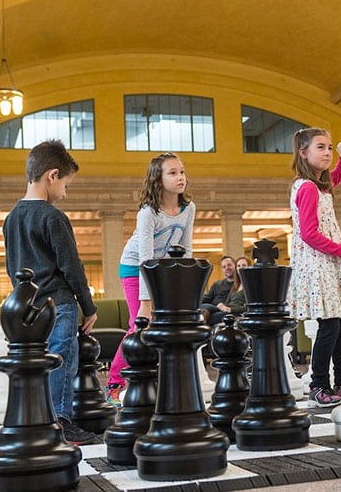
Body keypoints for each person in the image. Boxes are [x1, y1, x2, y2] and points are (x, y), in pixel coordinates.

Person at [3, 139, 98, 445]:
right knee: (61, 361)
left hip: (25, 309)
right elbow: (72, 267)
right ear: (52, 176)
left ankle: (37, 419)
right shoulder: (53, 217)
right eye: (66, 185)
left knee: (36, 365)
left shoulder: (11, 218)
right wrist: (89, 306)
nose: (65, 193)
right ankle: (59, 422)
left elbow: (11, 266)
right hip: (58, 304)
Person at [105, 152, 195, 404]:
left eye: (182, 172)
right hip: (135, 268)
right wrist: (146, 300)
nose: (180, 177)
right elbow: (145, 258)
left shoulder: (188, 208)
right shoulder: (148, 212)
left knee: (163, 326)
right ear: (158, 179)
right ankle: (115, 382)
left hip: (163, 270)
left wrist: (184, 289)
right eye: (173, 173)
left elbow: (186, 250)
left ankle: (155, 380)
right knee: (139, 324)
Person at [287, 127, 341, 408]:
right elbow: (309, 233)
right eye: (321, 147)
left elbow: (340, 174)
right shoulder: (307, 188)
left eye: (330, 147)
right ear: (303, 152)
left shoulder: (319, 185)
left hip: (329, 263)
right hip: (319, 263)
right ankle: (319, 384)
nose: (328, 153)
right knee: (330, 326)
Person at [208, 256, 250, 326]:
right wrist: (222, 306)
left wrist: (230, 309)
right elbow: (227, 302)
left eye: (244, 265)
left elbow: (250, 308)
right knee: (207, 310)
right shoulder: (236, 285)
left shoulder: (251, 284)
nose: (241, 268)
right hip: (227, 311)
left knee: (212, 318)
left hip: (237, 313)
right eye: (238, 266)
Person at [199, 256, 237, 322]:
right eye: (224, 267)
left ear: (235, 266)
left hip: (226, 309)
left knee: (212, 312)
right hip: (212, 307)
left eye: (229, 265)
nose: (227, 268)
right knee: (203, 306)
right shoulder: (217, 284)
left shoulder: (240, 284)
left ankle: (201, 326)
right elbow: (207, 298)